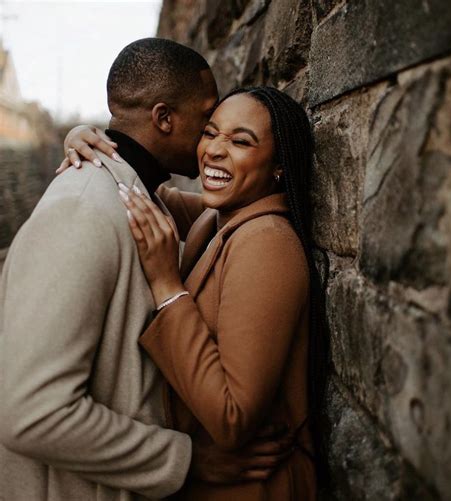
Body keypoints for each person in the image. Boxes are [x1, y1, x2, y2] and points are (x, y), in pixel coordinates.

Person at [0, 39, 289, 501]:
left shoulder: (141, 197)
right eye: (207, 120)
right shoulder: (80, 211)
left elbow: (222, 212)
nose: (210, 140)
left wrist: (83, 133)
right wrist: (186, 460)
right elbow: (31, 413)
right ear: (164, 118)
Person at [61, 85, 329, 500]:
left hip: (256, 487)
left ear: (278, 166)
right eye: (210, 132)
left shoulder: (267, 244)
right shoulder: (219, 216)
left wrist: (167, 285)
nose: (215, 150)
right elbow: (147, 193)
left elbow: (232, 416)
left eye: (241, 141)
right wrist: (88, 139)